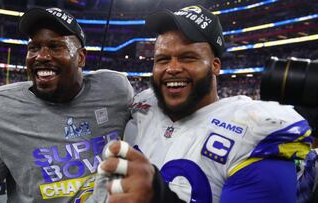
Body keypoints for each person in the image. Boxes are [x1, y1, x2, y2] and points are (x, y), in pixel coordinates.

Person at [94, 5, 313, 203]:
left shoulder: (253, 129)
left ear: (215, 65)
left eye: (188, 57)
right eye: (162, 59)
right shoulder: (142, 104)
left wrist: (158, 197)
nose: (172, 68)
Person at [0, 7, 134, 203]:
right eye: (34, 48)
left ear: (81, 57)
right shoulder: (0, 108)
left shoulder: (115, 89)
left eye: (55, 47)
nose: (41, 56)